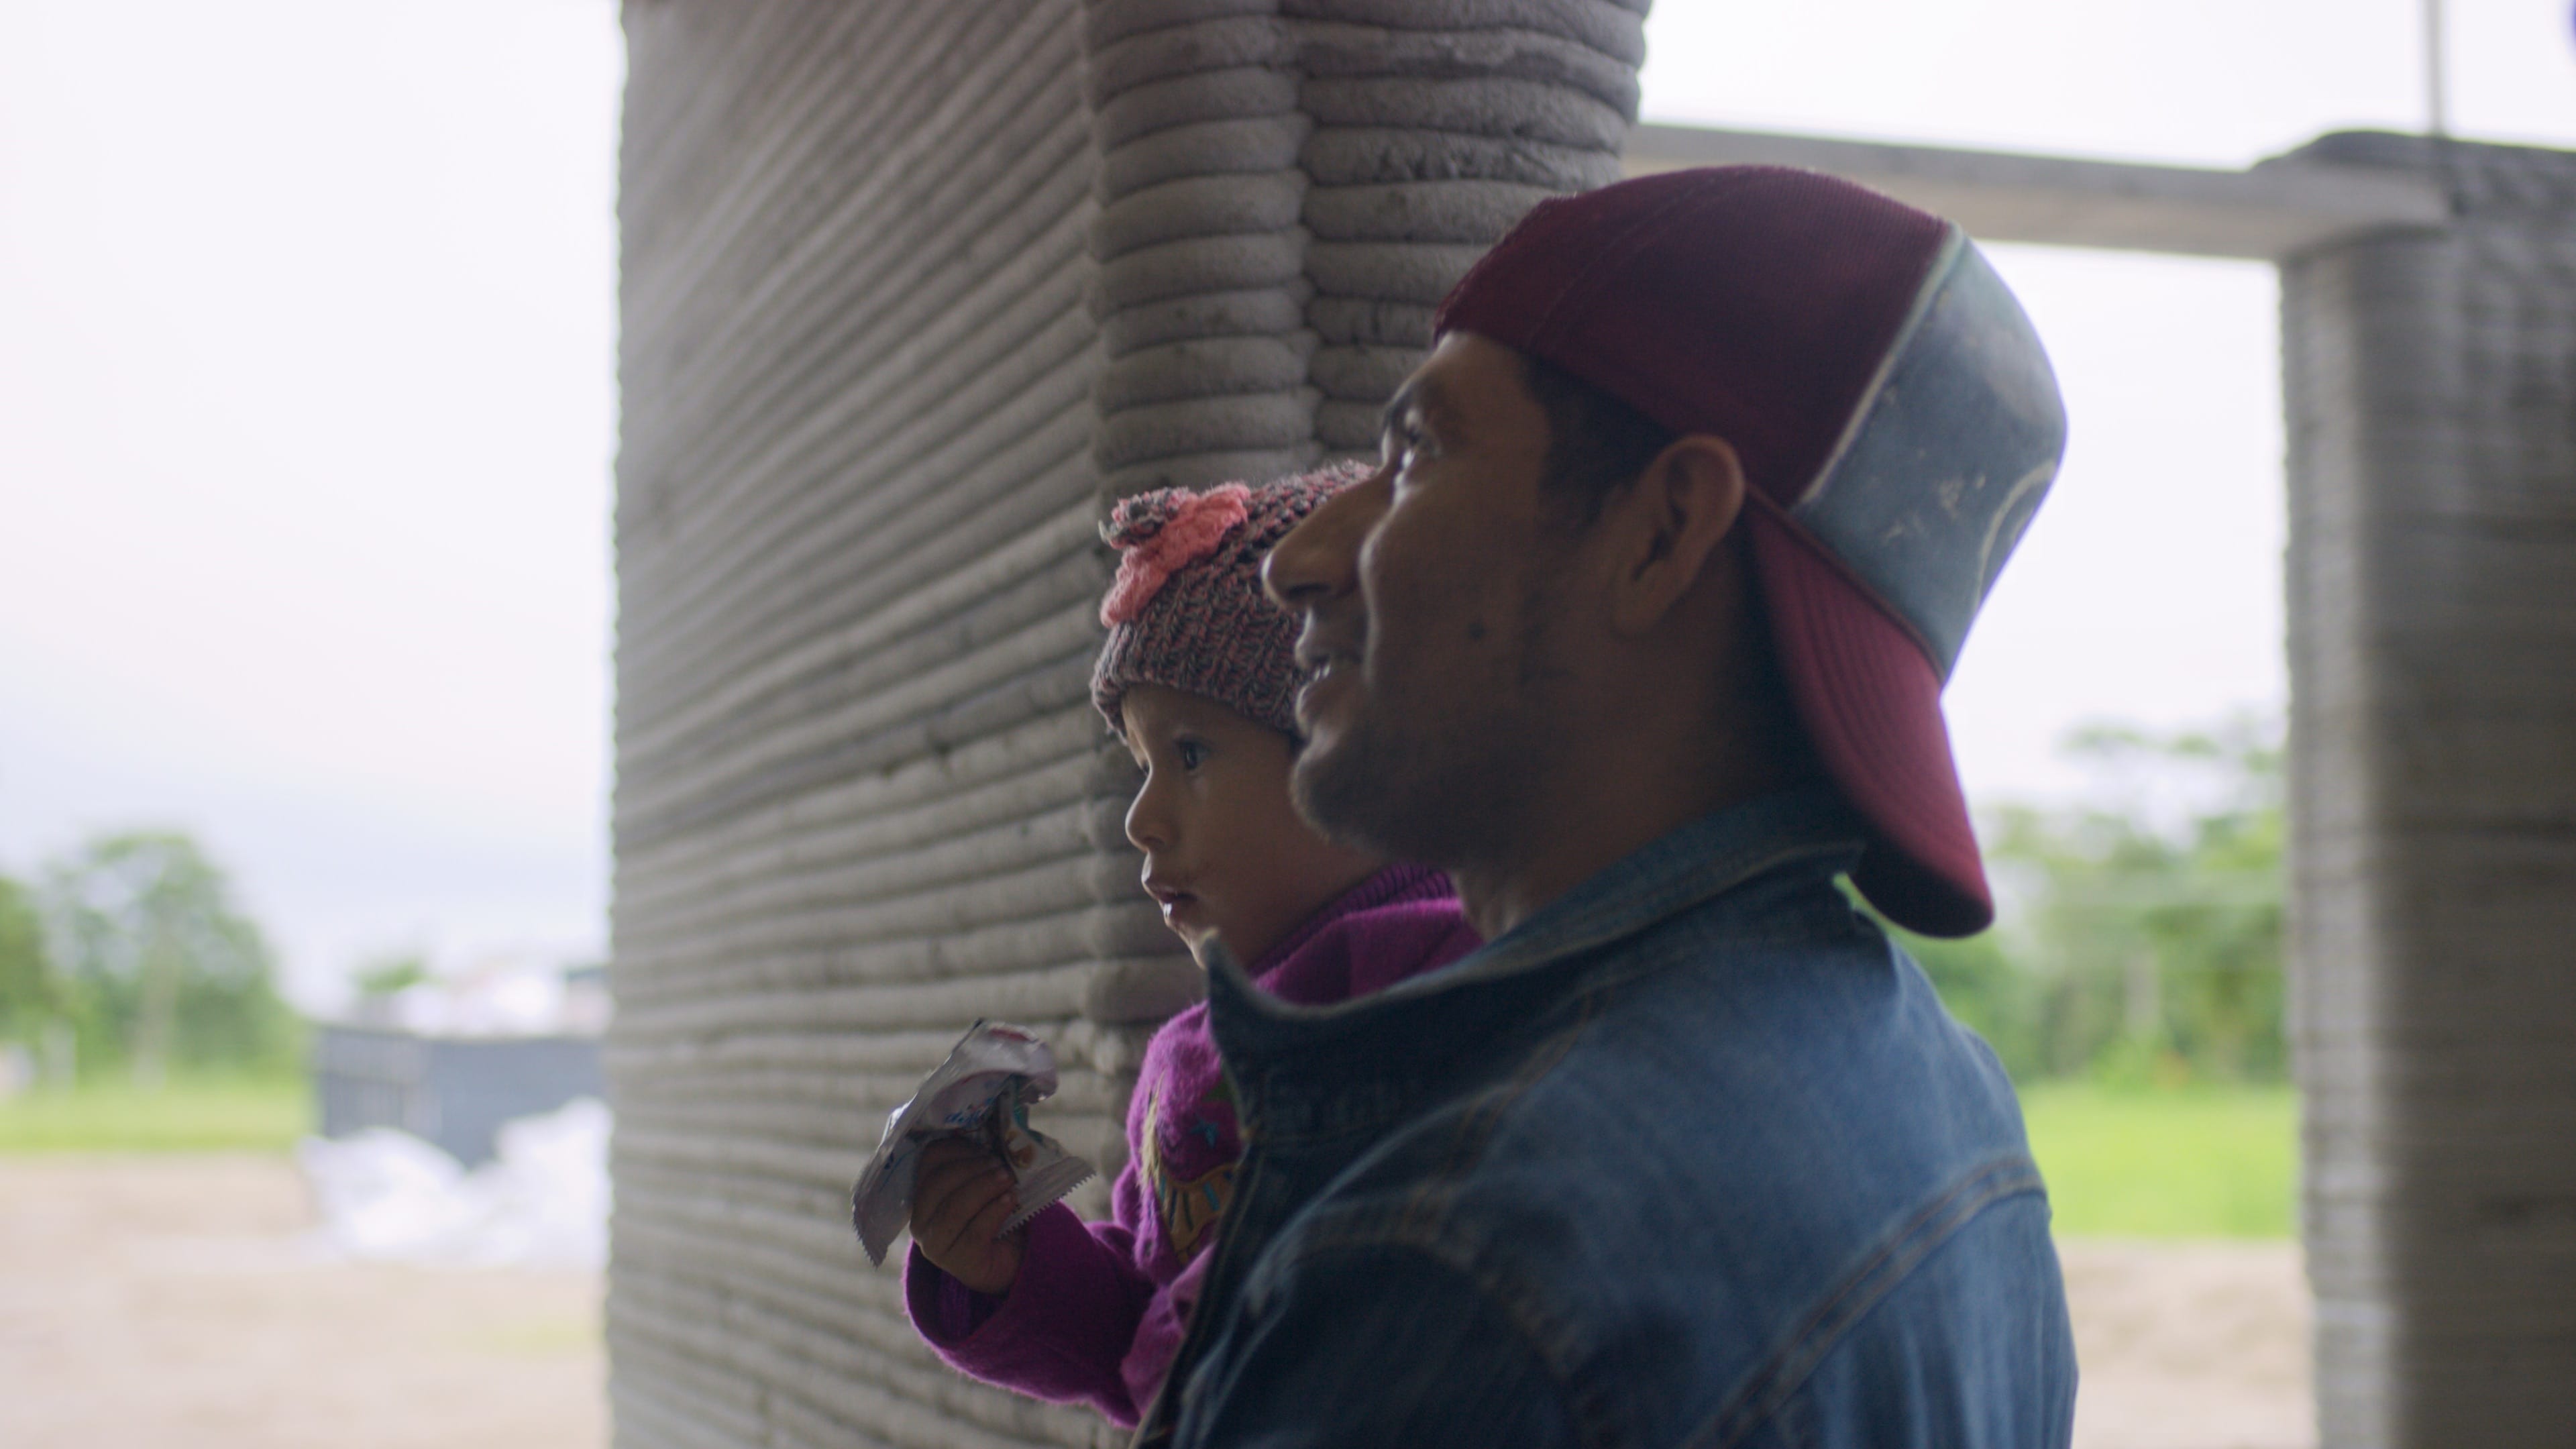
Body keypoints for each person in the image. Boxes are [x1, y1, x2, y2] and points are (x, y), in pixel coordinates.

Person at [1135, 168, 2081, 1447]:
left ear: (1660, 532)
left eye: (1417, 456)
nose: (1298, 562)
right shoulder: (1961, 1113)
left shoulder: (1459, 1264)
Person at [900, 464, 1483, 1429]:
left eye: (1192, 754)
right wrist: (1012, 1264)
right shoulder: (1192, 1054)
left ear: (1361, 760)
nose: (1143, 818)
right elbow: (1137, 1331)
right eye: (1141, 765)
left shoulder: (1457, 977)